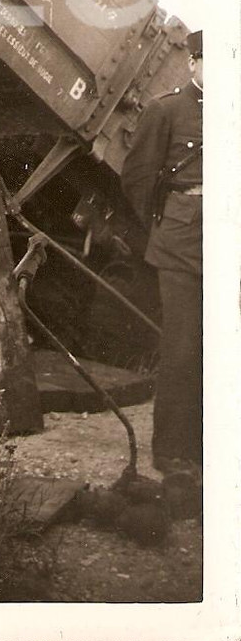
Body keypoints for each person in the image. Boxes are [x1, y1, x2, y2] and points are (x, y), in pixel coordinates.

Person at [121, 28, 203, 484]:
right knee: (183, 346)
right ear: (193, 63)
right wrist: (166, 226)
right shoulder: (166, 109)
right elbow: (137, 178)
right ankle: (173, 451)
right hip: (181, 245)